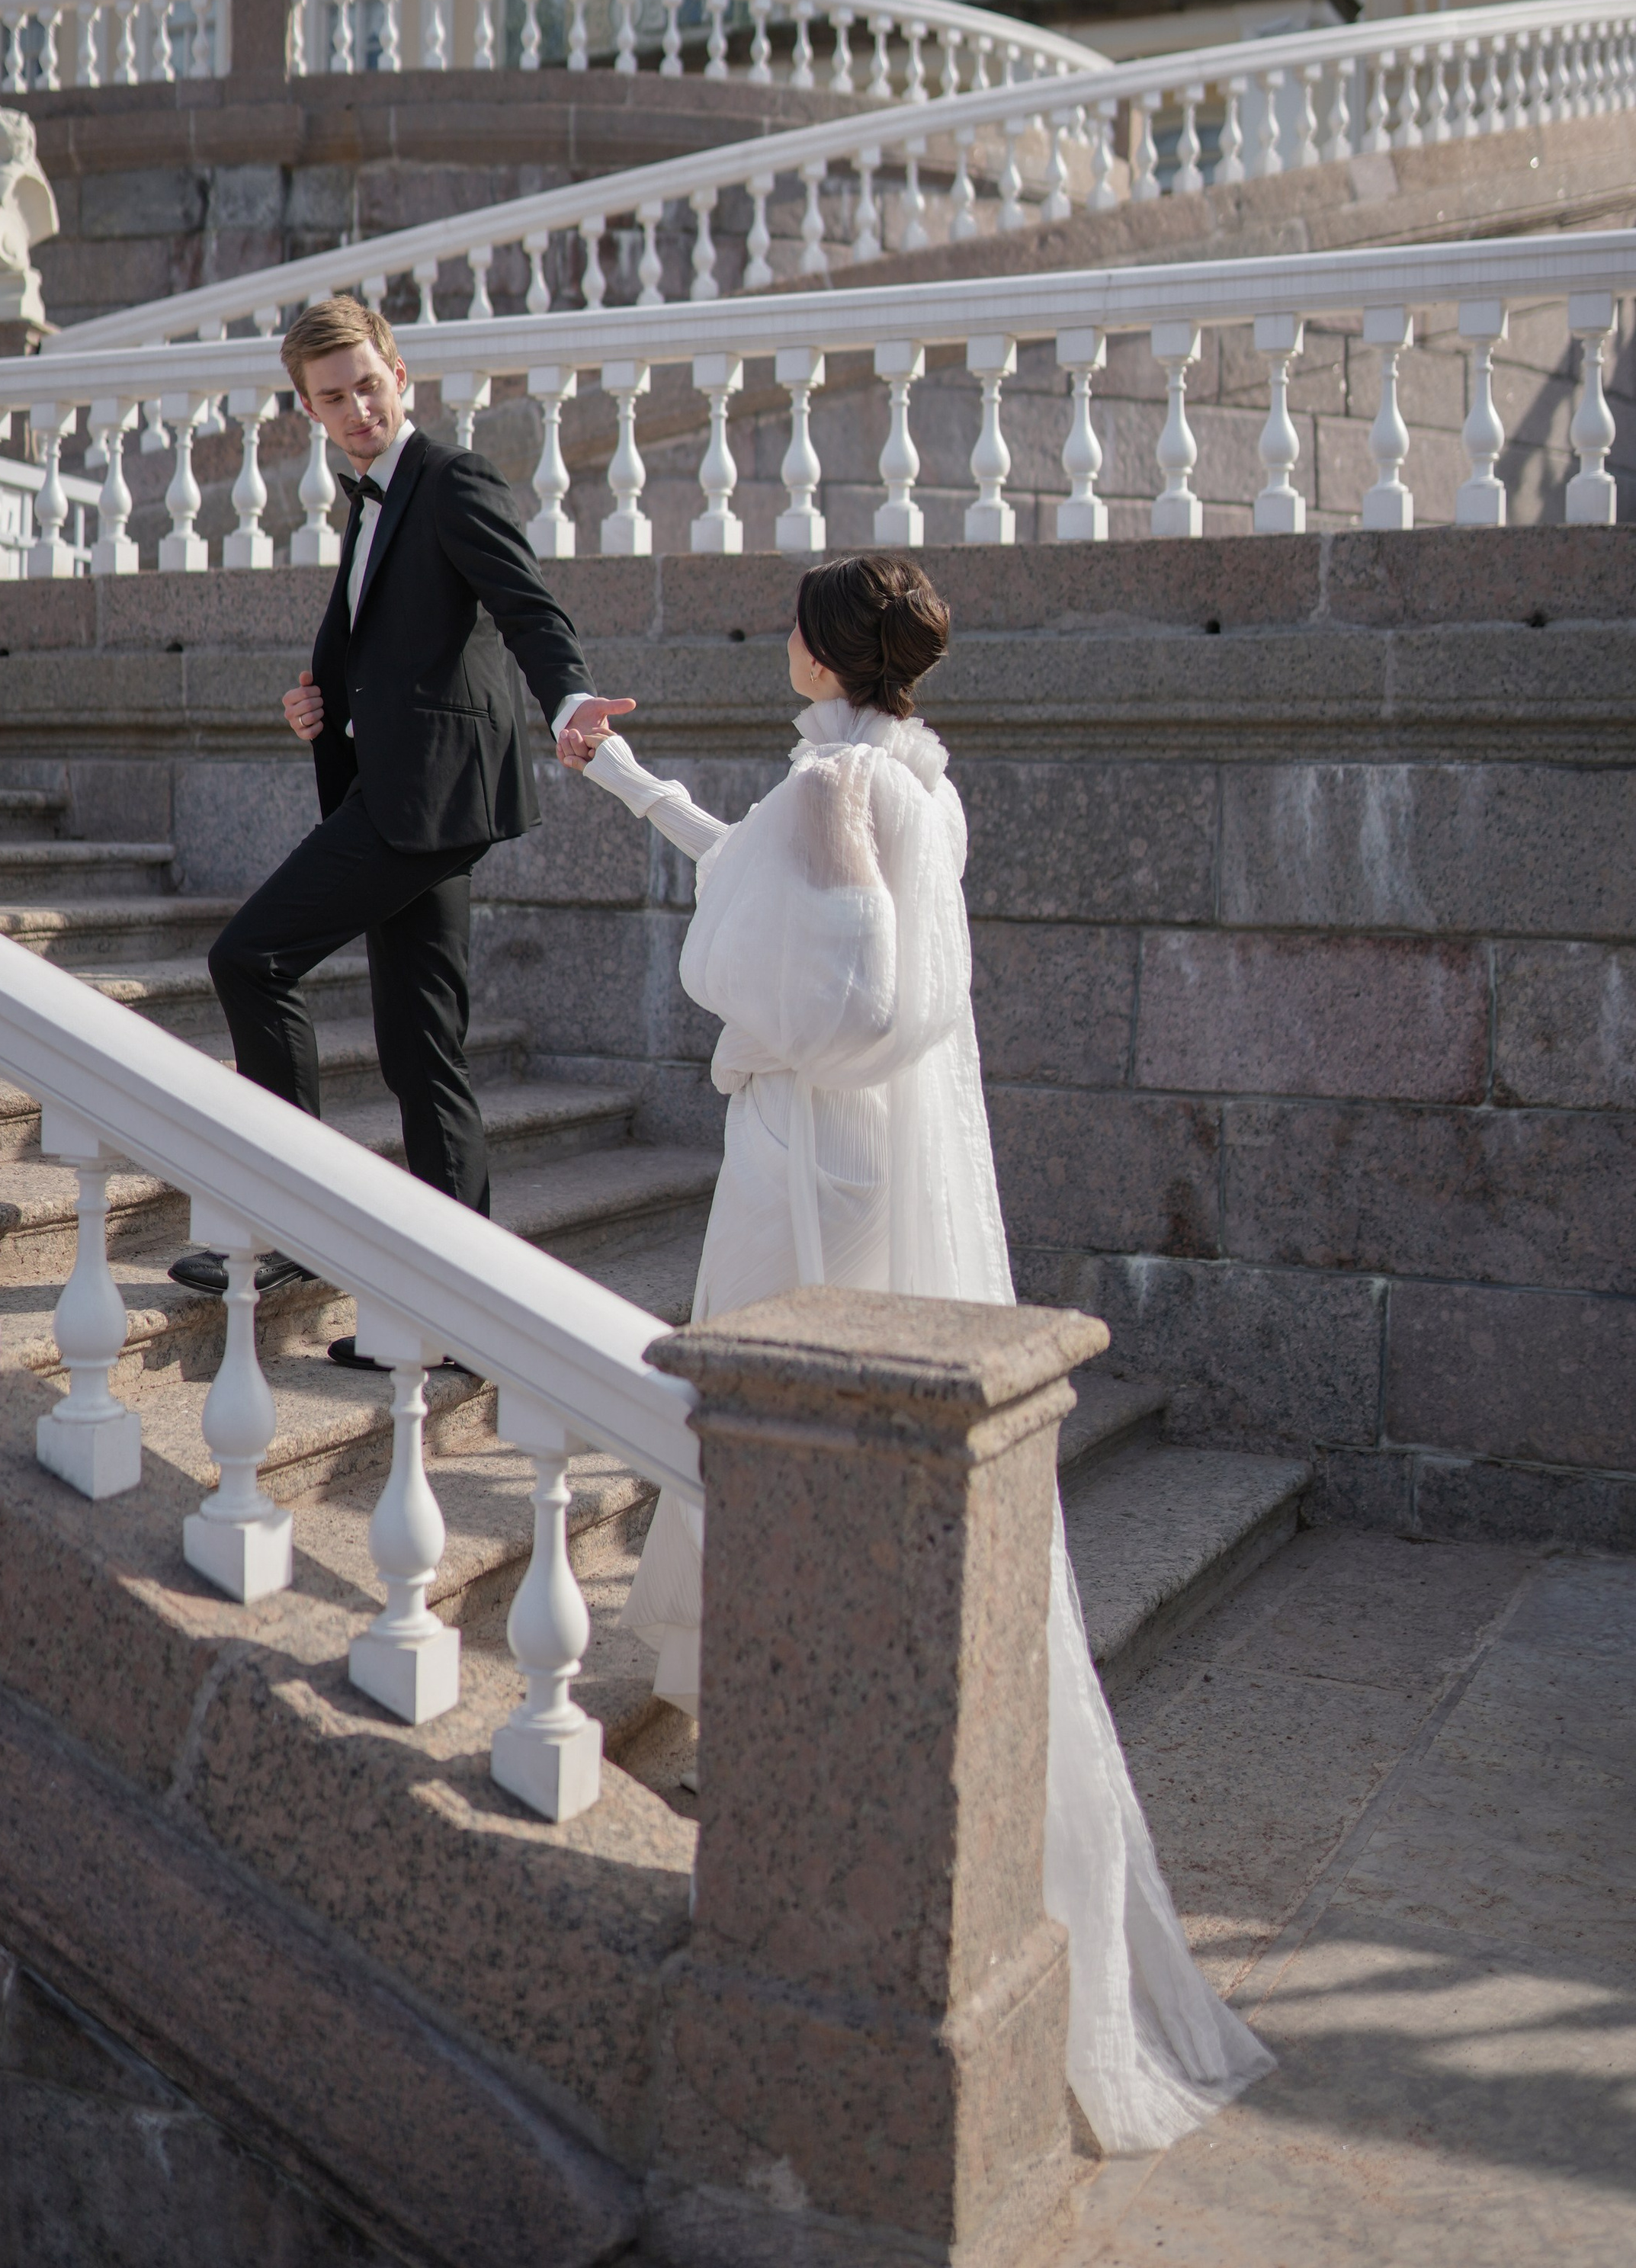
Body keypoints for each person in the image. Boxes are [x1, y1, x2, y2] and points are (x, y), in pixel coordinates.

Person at [569, 550, 1272, 2157]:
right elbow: (760, 870)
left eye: (793, 628)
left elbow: (864, 994)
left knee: (775, 1428)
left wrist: (755, 1036)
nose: (780, 644)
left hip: (811, 1151)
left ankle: (800, 1721)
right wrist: (623, 779)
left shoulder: (841, 787)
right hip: (860, 1146)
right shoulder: (905, 777)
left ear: (826, 653)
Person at [172, 294, 632, 1323]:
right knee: (424, 1053)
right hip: (402, 789)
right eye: (334, 398)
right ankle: (461, 1317)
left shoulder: (451, 477)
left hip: (427, 796)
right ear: (309, 409)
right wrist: (320, 706)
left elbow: (526, 608)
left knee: (250, 958)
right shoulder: (371, 498)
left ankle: (294, 1226)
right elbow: (391, 651)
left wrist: (569, 701)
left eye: (369, 387)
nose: (358, 410)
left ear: (401, 376)